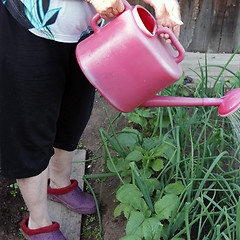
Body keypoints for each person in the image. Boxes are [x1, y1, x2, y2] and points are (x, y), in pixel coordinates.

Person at [0, 0, 182, 239]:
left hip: (85, 33)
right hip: (31, 28)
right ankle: (38, 222)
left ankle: (59, 184)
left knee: (72, 117)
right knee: (30, 128)